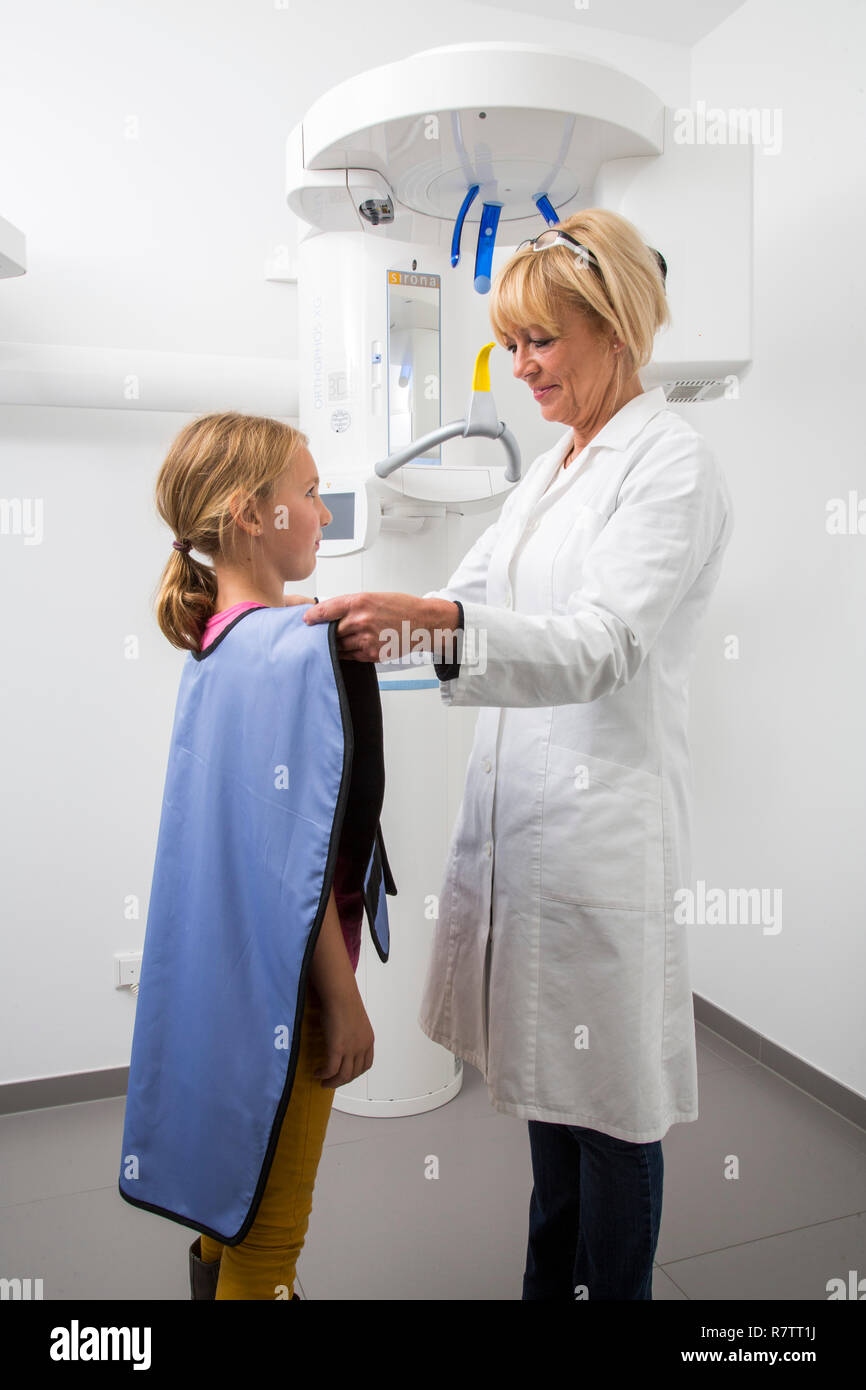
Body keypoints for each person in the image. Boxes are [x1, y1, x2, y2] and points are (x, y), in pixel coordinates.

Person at [303, 207, 734, 1300]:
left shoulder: (668, 463)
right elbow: (469, 594)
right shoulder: (550, 471)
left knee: (613, 1112)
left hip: (602, 836)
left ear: (614, 326)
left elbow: (601, 643)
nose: (521, 366)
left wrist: (432, 625)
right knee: (551, 1100)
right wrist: (351, 620)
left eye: (541, 339)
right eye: (513, 342)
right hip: (529, 834)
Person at [118, 412, 398, 1300]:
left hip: (227, 980)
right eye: (309, 493)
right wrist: (343, 999)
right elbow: (292, 867)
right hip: (295, 988)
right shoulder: (291, 650)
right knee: (270, 1242)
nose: (322, 512)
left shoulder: (217, 645)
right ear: (252, 513)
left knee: (223, 1199)